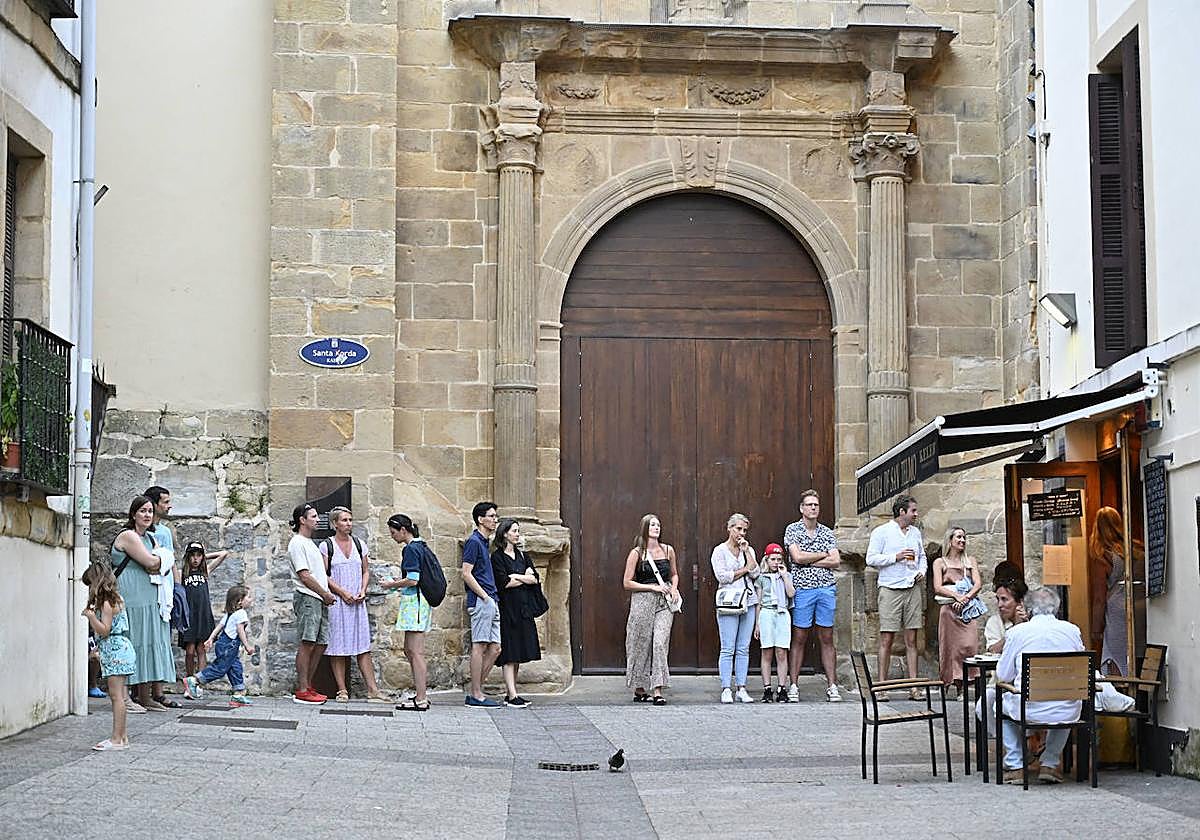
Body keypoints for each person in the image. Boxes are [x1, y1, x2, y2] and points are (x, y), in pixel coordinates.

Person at [995, 586, 1084, 785]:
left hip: (1029, 708)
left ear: (1028, 609)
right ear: (1056, 608)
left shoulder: (1018, 633)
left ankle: (1016, 764)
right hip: (1066, 709)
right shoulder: (1072, 630)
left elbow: (1003, 675)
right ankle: (1050, 764)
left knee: (995, 706)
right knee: (1066, 699)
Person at [112, 495, 177, 712]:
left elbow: (158, 564)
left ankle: (144, 695)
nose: (147, 515)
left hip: (150, 599)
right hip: (131, 598)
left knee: (148, 642)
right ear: (133, 514)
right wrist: (163, 560)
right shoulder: (129, 536)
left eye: (150, 511)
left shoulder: (150, 539)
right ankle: (125, 697)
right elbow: (151, 563)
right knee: (132, 643)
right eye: (143, 511)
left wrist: (161, 562)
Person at [319, 506, 388, 702]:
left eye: (350, 520)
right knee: (338, 645)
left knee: (362, 646)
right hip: (338, 602)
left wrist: (363, 590)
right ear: (335, 523)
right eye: (344, 520)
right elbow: (323, 575)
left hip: (357, 602)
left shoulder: (359, 544)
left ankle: (373, 690)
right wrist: (342, 593)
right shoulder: (327, 546)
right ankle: (342, 690)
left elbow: (366, 570)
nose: (348, 523)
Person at [783, 490, 842, 703]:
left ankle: (832, 685)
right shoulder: (793, 530)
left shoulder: (826, 532)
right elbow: (796, 556)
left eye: (816, 504)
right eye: (809, 505)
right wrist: (822, 555)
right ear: (802, 508)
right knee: (800, 636)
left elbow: (836, 561)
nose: (814, 508)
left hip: (826, 588)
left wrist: (809, 560)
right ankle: (794, 685)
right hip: (803, 589)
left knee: (826, 636)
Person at [866, 494, 927, 701]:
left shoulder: (915, 532)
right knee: (887, 638)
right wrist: (896, 557)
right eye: (913, 511)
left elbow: (922, 557)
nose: (916, 514)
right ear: (902, 512)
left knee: (912, 639)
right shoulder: (882, 532)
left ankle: (913, 687)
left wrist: (922, 571)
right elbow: (871, 558)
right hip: (890, 588)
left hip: (912, 587)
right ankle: (881, 687)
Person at [622, 513, 679, 706]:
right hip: (642, 601)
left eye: (658, 525)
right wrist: (652, 587)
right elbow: (627, 582)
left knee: (660, 642)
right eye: (652, 525)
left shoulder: (668, 550)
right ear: (645, 528)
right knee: (639, 643)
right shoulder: (637, 553)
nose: (656, 527)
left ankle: (657, 689)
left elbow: (674, 574)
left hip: (664, 602)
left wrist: (674, 588)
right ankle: (639, 688)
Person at [81, 561, 135, 750]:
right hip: (121, 648)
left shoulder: (105, 603)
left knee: (116, 696)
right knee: (119, 695)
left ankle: (116, 739)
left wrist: (90, 616)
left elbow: (105, 630)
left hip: (115, 651)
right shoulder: (116, 598)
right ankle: (123, 737)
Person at [382, 513, 432, 711]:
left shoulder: (411, 549)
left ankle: (421, 698)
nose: (392, 536)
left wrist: (391, 585)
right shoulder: (420, 545)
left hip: (416, 603)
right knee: (410, 650)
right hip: (416, 603)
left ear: (404, 530)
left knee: (416, 652)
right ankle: (420, 695)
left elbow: (413, 579)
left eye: (394, 532)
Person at [491, 518, 542, 708]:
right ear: (505, 533)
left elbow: (535, 579)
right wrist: (524, 578)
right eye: (514, 531)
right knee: (509, 652)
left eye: (518, 531)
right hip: (508, 609)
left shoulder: (523, 555)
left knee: (519, 651)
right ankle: (512, 696)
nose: (517, 534)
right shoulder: (497, 557)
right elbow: (504, 583)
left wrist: (517, 576)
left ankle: (512, 692)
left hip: (524, 608)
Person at [289, 502, 336, 705]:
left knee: (321, 642)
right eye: (314, 516)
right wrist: (324, 593)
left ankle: (308, 684)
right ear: (302, 520)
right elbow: (305, 576)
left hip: (318, 598)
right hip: (309, 597)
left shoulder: (310, 543)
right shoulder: (297, 543)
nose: (318, 519)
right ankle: (301, 689)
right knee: (307, 642)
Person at [711, 513, 760, 704]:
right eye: (738, 529)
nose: (741, 533)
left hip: (748, 601)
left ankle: (741, 687)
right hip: (729, 602)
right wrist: (745, 569)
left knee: (743, 648)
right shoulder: (719, 551)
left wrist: (747, 553)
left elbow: (756, 572)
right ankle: (725, 688)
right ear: (729, 528)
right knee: (728, 647)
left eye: (744, 530)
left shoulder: (749, 550)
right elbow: (723, 577)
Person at [932, 526, 984, 699]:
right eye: (958, 537)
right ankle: (955, 684)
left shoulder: (970, 561)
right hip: (949, 611)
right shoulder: (940, 562)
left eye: (964, 537)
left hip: (967, 610)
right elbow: (937, 587)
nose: (962, 540)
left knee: (969, 646)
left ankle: (968, 682)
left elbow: (977, 584)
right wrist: (956, 596)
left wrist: (966, 598)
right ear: (950, 540)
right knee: (951, 649)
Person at [183, 585, 255, 707]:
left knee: (235, 668)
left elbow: (219, 627)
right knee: (220, 669)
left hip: (223, 644)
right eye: (248, 597)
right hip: (229, 646)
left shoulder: (230, 614)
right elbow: (240, 630)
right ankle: (194, 680)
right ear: (239, 601)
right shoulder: (241, 613)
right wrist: (247, 645)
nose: (251, 599)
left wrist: (210, 639)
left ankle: (238, 694)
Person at [462, 500, 502, 707]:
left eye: (496, 516)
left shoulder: (485, 542)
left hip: (491, 600)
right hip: (482, 600)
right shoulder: (474, 542)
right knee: (479, 646)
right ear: (480, 519)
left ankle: (476, 690)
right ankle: (476, 694)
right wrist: (484, 597)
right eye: (492, 516)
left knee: (495, 648)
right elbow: (466, 573)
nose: (496, 520)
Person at [177, 540, 229, 680]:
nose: (195, 558)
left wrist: (204, 556)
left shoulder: (205, 571)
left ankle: (199, 681)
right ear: (187, 557)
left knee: (201, 649)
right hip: (188, 616)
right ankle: (189, 679)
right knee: (189, 651)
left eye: (198, 555)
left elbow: (223, 554)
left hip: (203, 615)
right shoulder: (182, 574)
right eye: (192, 555)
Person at [1089, 506, 1128, 675]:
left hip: (1116, 610)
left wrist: (1096, 629)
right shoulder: (1135, 549)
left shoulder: (1103, 556)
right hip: (1136, 604)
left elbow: (1099, 598)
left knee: (1115, 657)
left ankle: (1121, 693)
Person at [755, 543, 795, 702]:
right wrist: (757, 624)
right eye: (773, 559)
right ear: (767, 559)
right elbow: (758, 602)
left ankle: (782, 687)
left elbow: (791, 593)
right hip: (767, 613)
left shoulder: (786, 576)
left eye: (779, 559)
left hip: (782, 613)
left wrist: (785, 577)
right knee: (767, 651)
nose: (776, 562)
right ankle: (767, 688)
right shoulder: (761, 578)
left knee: (781, 651)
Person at [984, 577, 1029, 654]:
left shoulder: (1032, 621)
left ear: (1020, 602)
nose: (999, 605)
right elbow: (992, 651)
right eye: (998, 599)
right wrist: (1016, 628)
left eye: (1004, 599)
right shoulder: (995, 621)